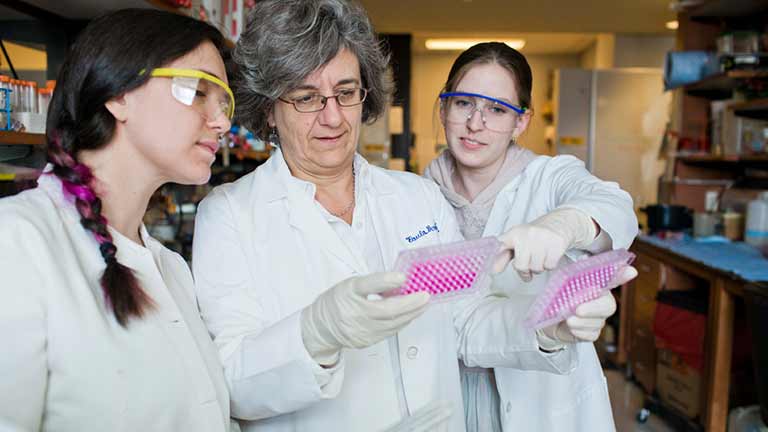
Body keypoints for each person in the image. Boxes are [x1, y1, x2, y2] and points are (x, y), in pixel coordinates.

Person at [193, 1, 637, 431]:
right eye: (307, 97)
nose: (332, 117)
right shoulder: (229, 216)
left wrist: (547, 328)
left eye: (346, 93)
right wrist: (315, 333)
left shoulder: (418, 197)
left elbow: (465, 320)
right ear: (269, 107)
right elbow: (231, 382)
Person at [0, 9, 236, 431]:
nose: (220, 121)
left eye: (224, 102)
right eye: (200, 90)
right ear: (119, 93)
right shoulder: (17, 242)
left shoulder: (171, 269)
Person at [424, 42, 639, 432]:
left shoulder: (548, 178)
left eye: (497, 109)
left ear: (521, 122)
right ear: (443, 108)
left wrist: (562, 225)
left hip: (544, 400)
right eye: (463, 104)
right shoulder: (416, 197)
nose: (476, 124)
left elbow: (614, 205)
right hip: (447, 393)